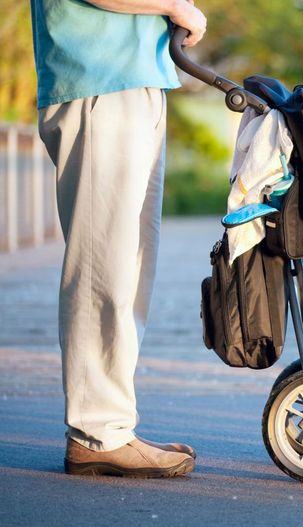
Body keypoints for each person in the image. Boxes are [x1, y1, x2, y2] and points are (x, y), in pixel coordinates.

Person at [30, 0, 206, 477]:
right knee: (102, 263)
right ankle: (97, 433)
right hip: (98, 81)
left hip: (131, 80)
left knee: (127, 265)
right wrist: (176, 7)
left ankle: (112, 425)